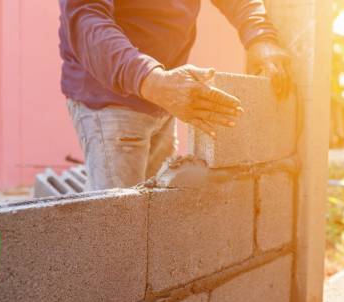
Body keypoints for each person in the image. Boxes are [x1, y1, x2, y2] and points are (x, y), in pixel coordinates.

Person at [59, 0, 292, 190]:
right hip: (112, 99)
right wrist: (150, 80)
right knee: (117, 226)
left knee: (155, 219)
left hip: (162, 95)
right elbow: (86, 18)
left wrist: (260, 37)